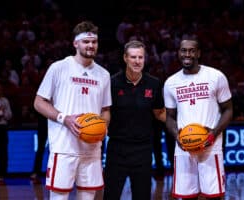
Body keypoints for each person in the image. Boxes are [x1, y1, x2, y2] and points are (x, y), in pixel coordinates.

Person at [33, 21, 111, 200]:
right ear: (75, 43)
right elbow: (38, 102)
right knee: (59, 197)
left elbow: (106, 109)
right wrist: (64, 118)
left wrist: (103, 127)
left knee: (88, 196)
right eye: (86, 41)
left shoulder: (104, 74)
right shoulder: (59, 68)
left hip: (92, 148)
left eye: (94, 42)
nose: (91, 45)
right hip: (64, 147)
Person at [163, 36, 233, 200]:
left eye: (191, 51)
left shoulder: (216, 76)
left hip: (210, 146)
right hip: (184, 148)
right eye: (183, 50)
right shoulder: (171, 83)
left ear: (198, 53)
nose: (187, 54)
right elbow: (170, 117)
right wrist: (177, 136)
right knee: (186, 197)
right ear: (179, 53)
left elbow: (228, 109)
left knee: (214, 196)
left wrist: (213, 133)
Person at [103, 40, 165, 200]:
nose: (137, 61)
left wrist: (182, 125)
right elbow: (105, 112)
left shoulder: (154, 83)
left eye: (141, 57)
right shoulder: (112, 83)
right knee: (110, 196)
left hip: (143, 150)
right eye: (133, 57)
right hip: (117, 149)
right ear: (125, 58)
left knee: (142, 196)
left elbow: (159, 113)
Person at [30, 113, 48, 184]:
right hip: (43, 124)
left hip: (55, 125)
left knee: (54, 151)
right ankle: (36, 172)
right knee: (40, 150)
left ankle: (55, 172)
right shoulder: (42, 102)